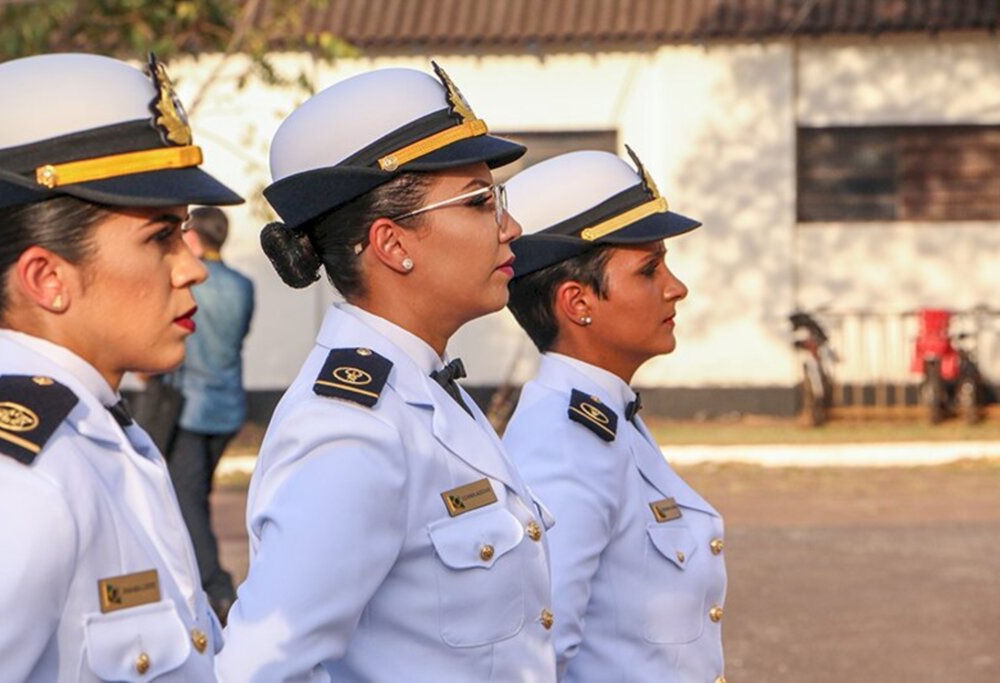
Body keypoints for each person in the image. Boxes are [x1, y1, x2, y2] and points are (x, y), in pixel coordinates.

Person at [218, 64, 556, 682]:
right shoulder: (350, 428)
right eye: (481, 202)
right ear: (393, 244)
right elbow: (259, 669)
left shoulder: (427, 388)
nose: (511, 227)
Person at [0, 52, 243, 681]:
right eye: (160, 237)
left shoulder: (99, 432)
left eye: (184, 232)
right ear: (48, 278)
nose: (193, 266)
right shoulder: (15, 478)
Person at [502, 149, 728, 683]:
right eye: (649, 269)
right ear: (578, 302)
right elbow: (538, 654)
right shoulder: (565, 441)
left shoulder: (609, 417)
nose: (676, 287)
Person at [166, 206, 254, 623]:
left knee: (189, 499)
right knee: (196, 494)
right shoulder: (243, 285)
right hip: (229, 404)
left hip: (189, 405)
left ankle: (214, 586)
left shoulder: (191, 286)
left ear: (195, 239)